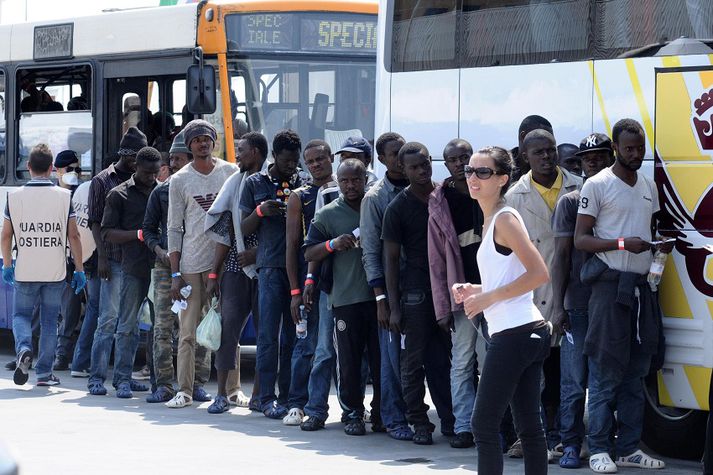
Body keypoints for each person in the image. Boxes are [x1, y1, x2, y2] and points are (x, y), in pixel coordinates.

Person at [574, 119, 668, 473]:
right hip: (609, 290)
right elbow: (580, 240)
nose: (636, 154)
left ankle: (629, 447)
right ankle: (598, 447)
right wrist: (620, 244)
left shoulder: (647, 185)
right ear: (615, 148)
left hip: (642, 288)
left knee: (636, 373)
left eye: (640, 148)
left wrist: (659, 248)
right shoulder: (597, 185)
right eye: (629, 148)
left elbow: (651, 228)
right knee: (604, 372)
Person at [454, 145, 551, 475]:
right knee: (529, 428)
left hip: (515, 333)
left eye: (483, 172)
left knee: (482, 425)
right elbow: (508, 277)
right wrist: (477, 291)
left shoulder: (505, 220)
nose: (473, 178)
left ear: (503, 179)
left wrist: (488, 299)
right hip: (525, 331)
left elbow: (539, 274)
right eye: (469, 171)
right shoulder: (492, 220)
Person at [505, 128, 582, 456]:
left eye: (551, 151)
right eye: (539, 153)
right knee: (539, 372)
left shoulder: (579, 186)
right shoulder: (513, 197)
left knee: (570, 373)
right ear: (525, 157)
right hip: (535, 294)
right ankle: (541, 436)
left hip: (572, 290)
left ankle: (566, 435)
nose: (548, 157)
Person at [382, 142, 455, 445]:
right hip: (415, 295)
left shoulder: (444, 196)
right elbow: (390, 259)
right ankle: (420, 423)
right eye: (414, 166)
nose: (422, 170)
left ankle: (451, 421)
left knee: (445, 361)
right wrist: (393, 306)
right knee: (413, 363)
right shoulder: (398, 207)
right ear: (402, 169)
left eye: (425, 163)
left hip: (449, 289)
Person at [303, 159, 381, 436]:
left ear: (365, 179)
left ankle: (381, 413)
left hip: (378, 299)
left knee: (380, 360)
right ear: (338, 181)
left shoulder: (375, 207)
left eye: (355, 180)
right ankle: (352, 414)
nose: (350, 185)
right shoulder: (327, 214)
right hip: (344, 299)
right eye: (345, 180)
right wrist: (332, 244)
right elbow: (309, 252)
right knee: (346, 362)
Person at [166, 119, 238, 408]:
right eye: (196, 139)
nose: (202, 143)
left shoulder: (230, 172)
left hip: (226, 264)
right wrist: (175, 272)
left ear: (214, 141)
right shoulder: (180, 180)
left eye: (206, 138)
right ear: (189, 145)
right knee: (187, 334)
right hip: (192, 266)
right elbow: (174, 228)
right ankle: (184, 390)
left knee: (229, 329)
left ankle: (233, 391)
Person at [551, 133, 612, 468]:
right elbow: (560, 257)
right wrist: (558, 305)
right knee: (574, 383)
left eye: (601, 156)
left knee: (603, 382)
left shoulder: (620, 194)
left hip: (610, 302)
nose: (595, 162)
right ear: (581, 164)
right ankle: (570, 443)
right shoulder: (571, 202)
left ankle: (601, 445)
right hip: (577, 303)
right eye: (589, 158)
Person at [2, 144, 86, 387]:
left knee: (20, 315)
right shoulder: (64, 196)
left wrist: (8, 264)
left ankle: (24, 348)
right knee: (50, 321)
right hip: (55, 270)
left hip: (25, 269)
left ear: (28, 168)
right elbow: (74, 236)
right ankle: (44, 374)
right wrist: (79, 269)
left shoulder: (14, 197)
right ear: (51, 169)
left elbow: (6, 236)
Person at [239, 129, 306, 418]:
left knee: (294, 336)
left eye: (295, 160)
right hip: (269, 268)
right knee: (267, 337)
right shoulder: (255, 183)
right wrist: (261, 212)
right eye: (287, 160)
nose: (292, 165)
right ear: (275, 156)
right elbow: (243, 228)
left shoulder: (303, 182)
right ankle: (265, 398)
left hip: (299, 268)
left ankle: (289, 397)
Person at [204, 133, 268, 413]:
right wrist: (214, 274)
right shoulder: (234, 182)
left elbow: (285, 232)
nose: (237, 156)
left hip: (268, 266)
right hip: (234, 266)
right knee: (228, 331)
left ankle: (260, 396)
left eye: (241, 150)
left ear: (255, 152)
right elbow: (225, 233)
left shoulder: (272, 183)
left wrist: (257, 254)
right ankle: (221, 394)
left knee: (267, 334)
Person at [427, 138, 483, 449]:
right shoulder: (440, 200)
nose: (461, 163)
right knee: (462, 361)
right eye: (454, 159)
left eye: (466, 157)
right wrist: (442, 307)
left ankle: (492, 424)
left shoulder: (489, 189)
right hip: (462, 296)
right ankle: (464, 426)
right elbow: (436, 260)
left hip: (495, 292)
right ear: (445, 165)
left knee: (490, 363)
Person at [142, 130, 204, 403]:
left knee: (197, 327)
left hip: (194, 265)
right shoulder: (160, 192)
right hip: (165, 267)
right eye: (174, 159)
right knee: (163, 327)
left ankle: (197, 383)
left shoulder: (201, 188)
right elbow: (148, 230)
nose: (176, 164)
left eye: (181, 159)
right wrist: (160, 251)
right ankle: (164, 385)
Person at [360, 132, 413, 441]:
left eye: (402, 151)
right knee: (391, 358)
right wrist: (381, 297)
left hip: (420, 285)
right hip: (391, 289)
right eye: (393, 154)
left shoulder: (423, 189)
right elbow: (369, 250)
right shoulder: (376, 197)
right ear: (381, 159)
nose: (399, 157)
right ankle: (393, 418)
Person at [87, 127, 148, 396]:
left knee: (131, 323)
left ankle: (124, 375)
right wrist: (101, 256)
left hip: (136, 263)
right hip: (111, 259)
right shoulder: (102, 181)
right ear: (126, 155)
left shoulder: (144, 182)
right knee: (108, 320)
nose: (140, 163)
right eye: (136, 157)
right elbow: (95, 223)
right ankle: (96, 378)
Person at [98, 147, 161, 398]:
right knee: (127, 325)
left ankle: (160, 382)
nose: (152, 177)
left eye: (156, 173)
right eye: (147, 173)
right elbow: (106, 232)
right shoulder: (118, 195)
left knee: (160, 328)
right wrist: (137, 235)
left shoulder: (162, 191)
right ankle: (122, 379)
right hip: (133, 267)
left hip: (160, 268)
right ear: (136, 167)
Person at [281, 139, 335, 425]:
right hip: (309, 281)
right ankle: (297, 403)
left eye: (320, 160)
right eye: (310, 161)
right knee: (307, 344)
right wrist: (295, 290)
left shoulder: (345, 187)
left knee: (338, 348)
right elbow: (292, 246)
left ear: (331, 159)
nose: (315, 165)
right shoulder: (299, 196)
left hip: (341, 279)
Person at [52, 150, 89, 371]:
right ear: (58, 170)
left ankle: (64, 354)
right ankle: (56, 354)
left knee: (72, 309)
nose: (75, 174)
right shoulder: (52, 195)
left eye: (78, 169)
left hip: (78, 262)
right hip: (56, 261)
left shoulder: (80, 195)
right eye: (70, 169)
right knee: (57, 311)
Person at [67, 155, 100, 378]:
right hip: (97, 261)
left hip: (84, 259)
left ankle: (79, 361)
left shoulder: (82, 188)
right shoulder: (103, 189)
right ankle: (81, 362)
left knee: (94, 309)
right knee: (96, 310)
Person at [511, 115, 554, 182]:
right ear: (523, 136)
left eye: (549, 137)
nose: (547, 141)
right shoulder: (501, 167)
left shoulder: (555, 165)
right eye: (541, 137)